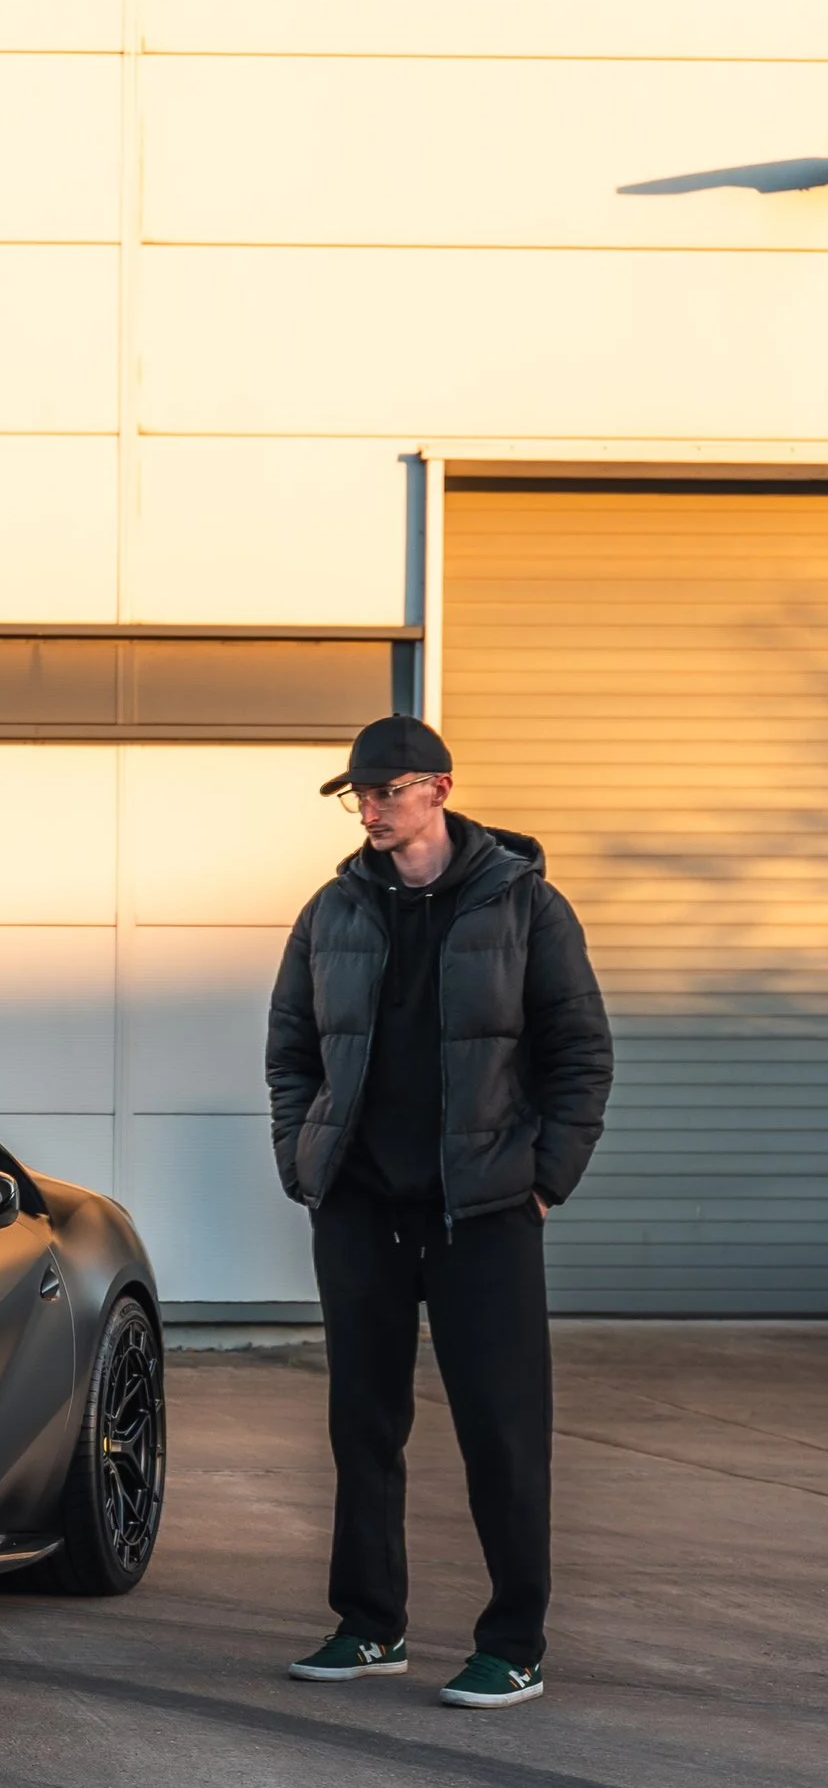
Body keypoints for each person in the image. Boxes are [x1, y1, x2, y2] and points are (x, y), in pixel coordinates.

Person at [264, 712, 612, 1709]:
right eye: (358, 793)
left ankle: (514, 1642)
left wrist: (543, 1177)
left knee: (503, 1430)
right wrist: (305, 1159)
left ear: (439, 789)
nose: (370, 807)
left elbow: (580, 1051)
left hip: (486, 1213)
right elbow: (290, 1046)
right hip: (363, 1207)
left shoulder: (523, 906)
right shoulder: (331, 911)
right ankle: (369, 1626)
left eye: (387, 788)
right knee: (362, 1424)